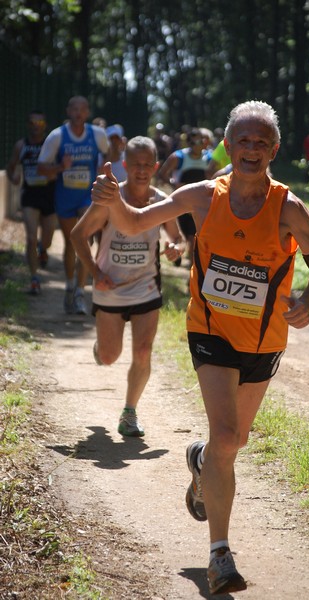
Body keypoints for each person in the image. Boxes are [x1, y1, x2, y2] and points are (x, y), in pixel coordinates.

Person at [91, 101, 309, 595]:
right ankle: (219, 554)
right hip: (210, 331)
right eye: (242, 140)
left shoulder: (289, 208)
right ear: (228, 145)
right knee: (228, 437)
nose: (251, 149)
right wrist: (112, 200)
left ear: (274, 150)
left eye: (261, 142)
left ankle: (202, 461)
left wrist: (307, 301)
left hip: (264, 340)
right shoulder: (203, 196)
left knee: (232, 443)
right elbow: (138, 221)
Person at [71, 136, 185, 437]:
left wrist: (175, 248)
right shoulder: (110, 199)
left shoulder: (162, 201)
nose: (142, 170)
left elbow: (178, 237)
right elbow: (77, 235)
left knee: (144, 351)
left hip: (146, 287)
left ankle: (129, 412)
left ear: (156, 166)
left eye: (149, 164)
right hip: (110, 289)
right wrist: (95, 272)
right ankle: (101, 348)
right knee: (109, 356)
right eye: (136, 164)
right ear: (125, 165)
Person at [37, 96, 109, 315]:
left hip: (87, 197)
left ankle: (80, 292)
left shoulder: (97, 135)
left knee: (84, 241)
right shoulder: (57, 136)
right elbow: (41, 169)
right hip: (65, 197)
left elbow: (110, 155)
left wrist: (106, 165)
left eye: (82, 109)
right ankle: (69, 286)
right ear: (68, 111)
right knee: (71, 244)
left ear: (87, 113)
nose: (78, 113)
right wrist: (61, 166)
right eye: (74, 109)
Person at [6, 110, 57, 295]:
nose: (36, 126)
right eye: (33, 122)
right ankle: (34, 278)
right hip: (29, 195)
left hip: (49, 194)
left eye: (40, 123)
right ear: (28, 125)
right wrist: (13, 178)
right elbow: (11, 166)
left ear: (45, 125)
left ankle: (43, 250)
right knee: (30, 237)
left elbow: (60, 167)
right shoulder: (21, 145)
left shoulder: (50, 144)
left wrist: (53, 172)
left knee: (48, 237)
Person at [157, 127, 211, 268]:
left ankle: (192, 275)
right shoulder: (179, 157)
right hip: (182, 204)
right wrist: (175, 185)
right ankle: (178, 255)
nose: (198, 144)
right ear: (189, 143)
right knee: (184, 237)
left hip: (200, 204)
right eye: (194, 142)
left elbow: (215, 177)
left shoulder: (209, 158)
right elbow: (162, 173)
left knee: (195, 238)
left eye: (201, 141)